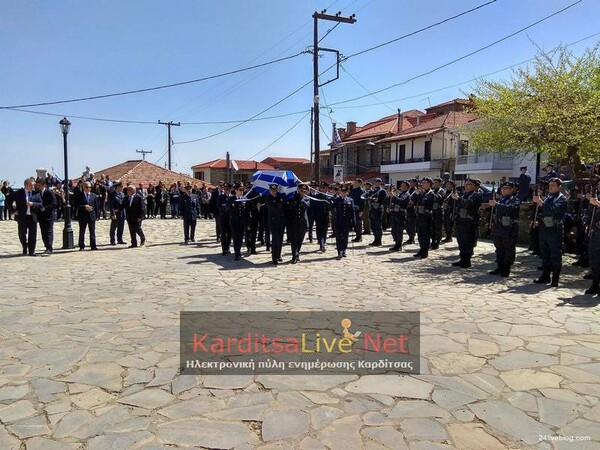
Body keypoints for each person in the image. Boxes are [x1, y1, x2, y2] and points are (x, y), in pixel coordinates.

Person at [533, 178, 567, 287]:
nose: (550, 187)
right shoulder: (548, 197)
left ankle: (555, 278)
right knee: (545, 253)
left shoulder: (561, 198)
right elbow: (542, 211)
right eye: (550, 185)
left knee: (555, 254)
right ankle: (545, 275)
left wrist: (540, 202)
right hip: (545, 228)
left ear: (559, 186)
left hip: (555, 229)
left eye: (553, 185)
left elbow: (553, 210)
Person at [489, 182, 520, 277]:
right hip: (499, 227)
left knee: (508, 248)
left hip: (509, 228)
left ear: (511, 189)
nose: (503, 190)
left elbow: (511, 209)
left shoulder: (515, 200)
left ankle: (506, 268)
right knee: (499, 248)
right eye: (502, 188)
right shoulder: (501, 200)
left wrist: (497, 205)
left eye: (506, 188)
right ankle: (500, 266)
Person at [451, 178, 483, 268]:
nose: (466, 186)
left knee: (468, 242)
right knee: (461, 242)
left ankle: (467, 261)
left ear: (474, 186)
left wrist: (458, 199)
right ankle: (462, 259)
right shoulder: (464, 195)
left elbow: (468, 204)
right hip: (461, 221)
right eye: (466, 184)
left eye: (469, 184)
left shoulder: (476, 195)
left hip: (469, 223)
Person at [13, 178, 43, 256]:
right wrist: (13, 210)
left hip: (32, 217)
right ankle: (24, 245)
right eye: (31, 185)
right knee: (22, 234)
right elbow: (9, 200)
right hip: (22, 216)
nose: (33, 186)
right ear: (26, 185)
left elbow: (40, 204)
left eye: (33, 185)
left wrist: (33, 204)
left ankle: (31, 251)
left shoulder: (36, 193)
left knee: (33, 235)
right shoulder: (19, 193)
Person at [285, 183, 311, 263]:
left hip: (303, 223)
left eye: (304, 190)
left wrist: (302, 198)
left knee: (300, 240)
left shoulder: (306, 199)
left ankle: (297, 254)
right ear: (298, 190)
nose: (303, 192)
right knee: (294, 240)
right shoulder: (292, 198)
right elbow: (288, 210)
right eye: (301, 190)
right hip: (294, 222)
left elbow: (307, 206)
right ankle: (294, 256)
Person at [414, 177, 436, 259]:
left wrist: (419, 194)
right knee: (420, 234)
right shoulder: (423, 192)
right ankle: (421, 249)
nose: (422, 184)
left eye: (424, 182)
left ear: (429, 184)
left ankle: (425, 251)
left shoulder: (431, 193)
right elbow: (416, 202)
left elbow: (425, 201)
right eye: (422, 182)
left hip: (426, 216)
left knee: (425, 234)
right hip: (420, 215)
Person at [584, 183, 600, 296]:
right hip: (596, 233)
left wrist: (598, 204)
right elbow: (589, 213)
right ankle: (595, 284)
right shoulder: (596, 198)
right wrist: (587, 224)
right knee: (594, 260)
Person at [332, 184, 355, 259]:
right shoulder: (336, 200)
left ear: (347, 192)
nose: (344, 193)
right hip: (338, 221)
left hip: (347, 222)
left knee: (345, 237)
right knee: (338, 237)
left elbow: (352, 211)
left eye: (345, 192)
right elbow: (331, 207)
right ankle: (339, 252)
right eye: (342, 191)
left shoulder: (350, 200)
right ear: (340, 192)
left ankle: (344, 250)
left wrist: (353, 221)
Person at [265, 183, 286, 265]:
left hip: (281, 221)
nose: (274, 192)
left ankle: (278, 254)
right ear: (269, 190)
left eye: (275, 190)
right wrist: (281, 201)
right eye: (272, 190)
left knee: (280, 239)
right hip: (273, 222)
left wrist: (282, 198)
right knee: (275, 239)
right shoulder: (268, 199)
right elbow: (277, 207)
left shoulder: (280, 197)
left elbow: (284, 206)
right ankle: (274, 257)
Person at [74, 181, 99, 251]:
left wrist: (97, 216)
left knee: (92, 232)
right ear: (83, 187)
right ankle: (81, 246)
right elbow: (76, 205)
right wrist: (84, 206)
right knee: (82, 232)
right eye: (87, 187)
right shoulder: (79, 195)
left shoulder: (93, 195)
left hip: (91, 216)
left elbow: (96, 206)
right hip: (82, 216)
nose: (89, 188)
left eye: (90, 187)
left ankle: (93, 245)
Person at [228, 184, 250, 260]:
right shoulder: (231, 199)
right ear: (236, 190)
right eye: (240, 190)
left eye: (242, 190)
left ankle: (239, 252)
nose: (242, 192)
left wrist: (247, 223)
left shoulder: (245, 199)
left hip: (242, 222)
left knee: (240, 238)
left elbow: (247, 212)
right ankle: (236, 253)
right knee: (235, 238)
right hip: (234, 222)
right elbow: (228, 209)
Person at [389, 181, 411, 252]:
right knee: (394, 230)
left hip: (400, 214)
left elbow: (401, 201)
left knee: (399, 230)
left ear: (407, 187)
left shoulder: (406, 194)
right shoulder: (401, 194)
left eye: (403, 186)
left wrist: (393, 196)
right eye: (401, 186)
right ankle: (396, 244)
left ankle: (399, 245)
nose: (401, 187)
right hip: (396, 213)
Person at [37, 178, 57, 254]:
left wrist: (45, 208)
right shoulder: (37, 193)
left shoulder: (49, 192)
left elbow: (54, 204)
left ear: (43, 185)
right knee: (43, 232)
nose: (38, 187)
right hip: (41, 216)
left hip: (49, 215)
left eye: (39, 185)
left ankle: (49, 247)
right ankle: (46, 246)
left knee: (49, 231)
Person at [313, 182, 331, 252]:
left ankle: (323, 243)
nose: (324, 189)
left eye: (325, 188)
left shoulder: (329, 196)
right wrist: (313, 216)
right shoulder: (317, 196)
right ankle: (322, 244)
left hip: (326, 216)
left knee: (325, 231)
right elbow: (314, 207)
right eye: (323, 188)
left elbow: (330, 208)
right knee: (319, 231)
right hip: (318, 216)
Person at [368, 178, 387, 247]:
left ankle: (379, 240)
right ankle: (375, 239)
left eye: (376, 182)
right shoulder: (373, 190)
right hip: (372, 208)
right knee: (373, 226)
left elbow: (384, 201)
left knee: (378, 225)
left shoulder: (382, 191)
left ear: (379, 183)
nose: (374, 183)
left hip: (378, 209)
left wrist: (377, 200)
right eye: (374, 182)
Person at [217, 183, 232, 255]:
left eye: (228, 189)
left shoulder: (232, 197)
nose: (226, 191)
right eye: (225, 189)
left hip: (230, 218)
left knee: (229, 233)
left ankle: (228, 247)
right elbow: (219, 207)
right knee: (223, 233)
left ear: (230, 190)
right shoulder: (220, 197)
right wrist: (227, 208)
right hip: (223, 217)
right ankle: (224, 249)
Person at [431, 177, 445, 250]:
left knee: (438, 228)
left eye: (436, 182)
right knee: (432, 228)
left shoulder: (441, 191)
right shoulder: (433, 190)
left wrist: (432, 193)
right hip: (432, 211)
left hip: (438, 212)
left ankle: (437, 242)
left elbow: (439, 198)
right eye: (434, 183)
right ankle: (433, 241)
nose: (434, 184)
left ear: (440, 183)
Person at [349, 178, 365, 243]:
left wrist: (361, 210)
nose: (355, 183)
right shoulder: (353, 190)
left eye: (356, 182)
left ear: (360, 183)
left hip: (358, 209)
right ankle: (357, 236)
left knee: (358, 223)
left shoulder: (362, 191)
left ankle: (359, 236)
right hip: (352, 208)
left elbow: (362, 201)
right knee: (354, 223)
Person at [405, 178, 418, 245]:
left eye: (412, 182)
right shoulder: (409, 190)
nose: (410, 183)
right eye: (410, 182)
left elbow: (417, 200)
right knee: (407, 225)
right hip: (407, 209)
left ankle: (412, 238)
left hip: (413, 210)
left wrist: (412, 202)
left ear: (415, 183)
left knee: (411, 225)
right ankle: (410, 237)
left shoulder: (416, 190)